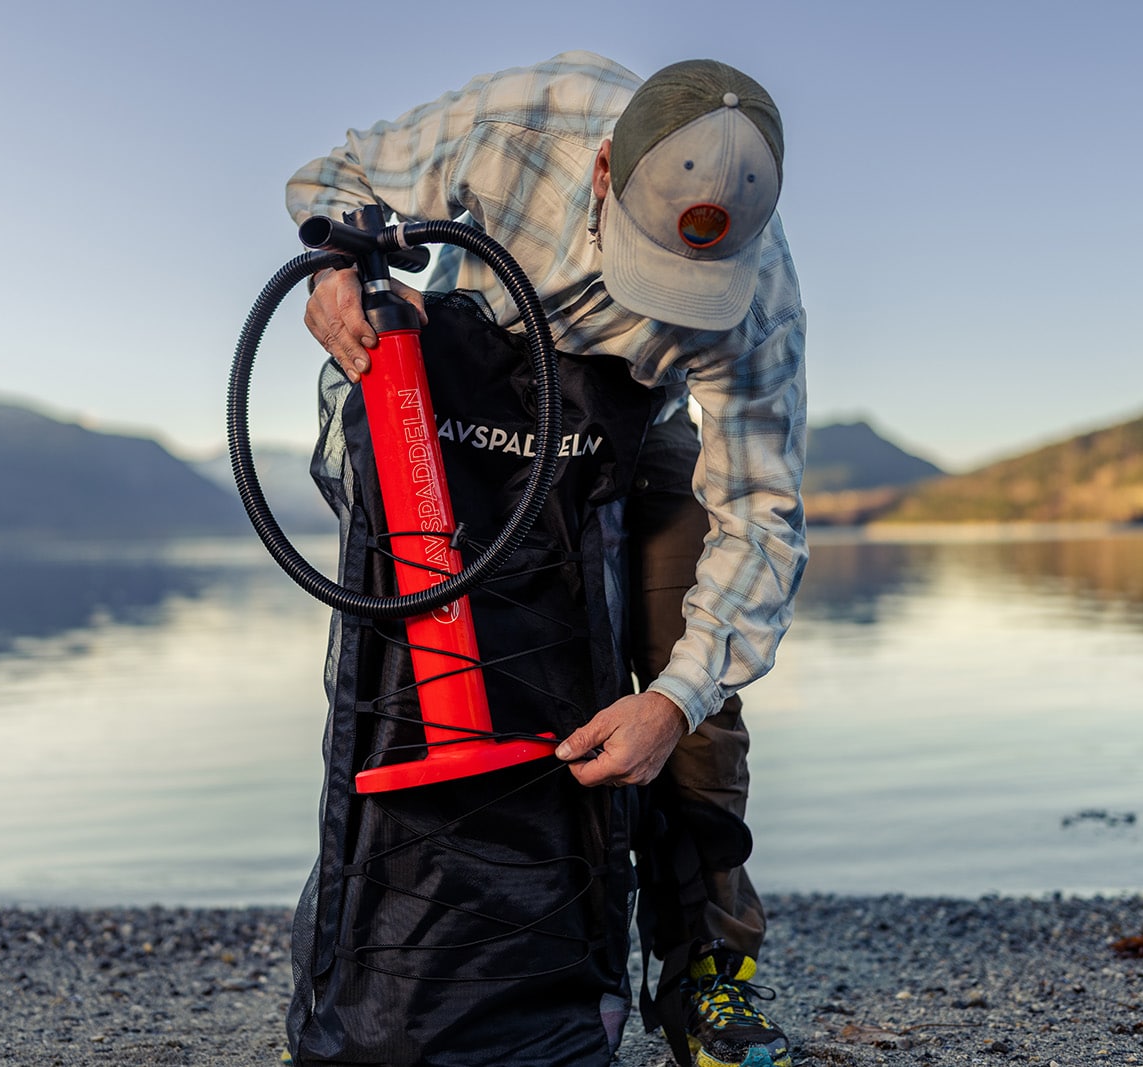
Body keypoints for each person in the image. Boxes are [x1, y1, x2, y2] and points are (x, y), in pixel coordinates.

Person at [287, 52, 807, 1067]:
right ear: (603, 170)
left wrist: (675, 700)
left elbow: (760, 518)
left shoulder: (761, 303)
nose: (668, 303)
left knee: (691, 677)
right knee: (418, 684)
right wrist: (333, 269)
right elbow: (332, 177)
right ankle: (370, 973)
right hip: (472, 409)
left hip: (635, 427)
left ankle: (706, 971)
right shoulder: (526, 123)